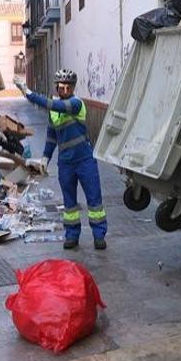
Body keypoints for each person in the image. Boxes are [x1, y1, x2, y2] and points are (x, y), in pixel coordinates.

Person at [14, 70, 107, 250]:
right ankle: (72, 235)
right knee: (69, 204)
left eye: (68, 87)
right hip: (65, 163)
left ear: (72, 88)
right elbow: (51, 136)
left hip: (85, 160)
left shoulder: (76, 104)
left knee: (94, 200)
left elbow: (53, 105)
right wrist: (45, 158)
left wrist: (28, 93)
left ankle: (99, 235)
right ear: (57, 87)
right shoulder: (54, 112)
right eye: (61, 87)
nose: (64, 89)